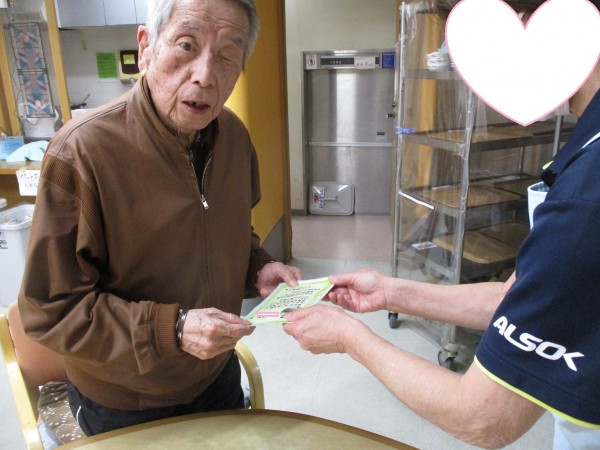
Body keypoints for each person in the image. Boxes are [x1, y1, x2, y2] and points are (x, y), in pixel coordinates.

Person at [284, 1, 600, 448]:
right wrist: (390, 291)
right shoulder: (585, 149)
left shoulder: (587, 194)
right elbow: (516, 298)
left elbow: (481, 418)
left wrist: (350, 337)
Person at [18, 0, 301, 436]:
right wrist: (175, 329)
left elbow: (226, 234)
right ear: (146, 47)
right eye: (186, 45)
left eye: (228, 55)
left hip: (217, 376)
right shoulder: (81, 152)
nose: (205, 75)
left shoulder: (234, 137)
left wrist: (258, 267)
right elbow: (50, 310)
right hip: (125, 399)